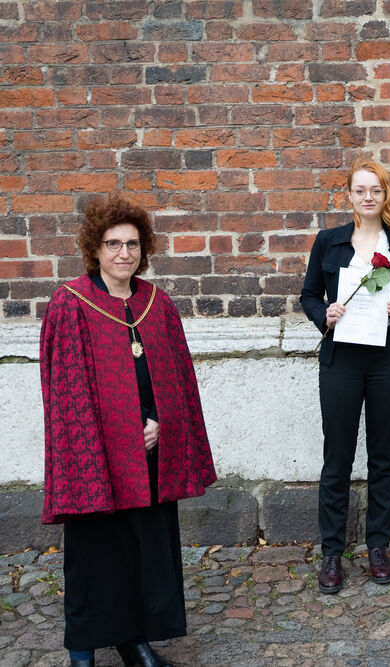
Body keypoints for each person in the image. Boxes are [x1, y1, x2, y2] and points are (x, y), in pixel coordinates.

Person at [40, 195, 216, 667]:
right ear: (94, 249)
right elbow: (65, 392)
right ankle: (83, 647)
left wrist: (162, 420)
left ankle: (133, 639)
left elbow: (178, 378)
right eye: (113, 243)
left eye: (133, 244)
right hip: (96, 459)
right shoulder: (70, 302)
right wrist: (116, 439)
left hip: (153, 455)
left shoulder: (157, 304)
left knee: (145, 550)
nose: (124, 253)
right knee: (96, 554)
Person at [300, 158, 390, 594]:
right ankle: (332, 552)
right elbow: (309, 294)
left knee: (383, 456)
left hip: (388, 357)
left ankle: (377, 546)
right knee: (337, 458)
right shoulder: (330, 242)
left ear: (385, 194)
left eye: (376, 189)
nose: (368, 197)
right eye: (360, 190)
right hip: (342, 359)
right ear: (349, 196)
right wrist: (326, 314)